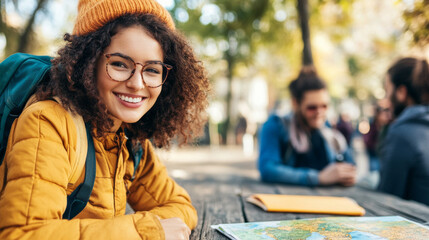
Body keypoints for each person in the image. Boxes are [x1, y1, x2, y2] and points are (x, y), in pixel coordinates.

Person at [0, 0, 210, 239]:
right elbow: (22, 234)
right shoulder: (48, 122)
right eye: (120, 64)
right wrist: (147, 232)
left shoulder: (130, 138)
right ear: (87, 64)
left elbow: (182, 206)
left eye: (152, 69)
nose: (137, 84)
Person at [258, 66, 356, 186]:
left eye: (324, 106)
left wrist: (347, 175)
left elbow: (351, 166)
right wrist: (318, 178)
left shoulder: (330, 134)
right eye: (312, 107)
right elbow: (268, 169)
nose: (319, 113)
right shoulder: (277, 125)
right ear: (295, 103)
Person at [378, 57, 429, 205]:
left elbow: (388, 195)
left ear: (401, 92)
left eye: (388, 90)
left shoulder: (402, 133)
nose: (387, 98)